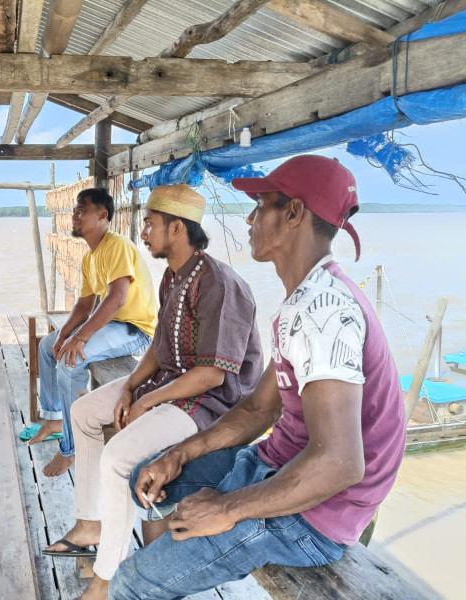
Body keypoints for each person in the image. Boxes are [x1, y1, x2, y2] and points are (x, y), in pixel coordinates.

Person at [110, 155, 406, 599]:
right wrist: (180, 454)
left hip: (318, 513)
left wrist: (227, 508)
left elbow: (340, 464)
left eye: (261, 204)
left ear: (293, 214)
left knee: (129, 584)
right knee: (144, 481)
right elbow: (259, 407)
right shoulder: (303, 300)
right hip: (275, 465)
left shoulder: (325, 311)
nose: (248, 218)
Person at [43, 183, 263, 600]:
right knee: (86, 413)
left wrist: (147, 400)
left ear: (176, 228)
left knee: (118, 457)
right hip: (171, 387)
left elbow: (213, 376)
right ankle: (91, 523)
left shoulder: (218, 282)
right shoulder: (172, 277)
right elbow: (158, 351)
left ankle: (106, 579)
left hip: (209, 405)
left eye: (149, 225)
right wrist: (129, 387)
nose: (143, 233)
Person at [28, 188, 158, 477]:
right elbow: (85, 304)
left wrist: (80, 338)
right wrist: (64, 334)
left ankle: (70, 450)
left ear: (102, 216)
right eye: (75, 210)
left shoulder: (118, 245)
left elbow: (116, 299)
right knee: (48, 346)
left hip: (136, 329)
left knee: (70, 360)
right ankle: (53, 418)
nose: (75, 215)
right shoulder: (90, 257)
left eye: (81, 210)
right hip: (114, 325)